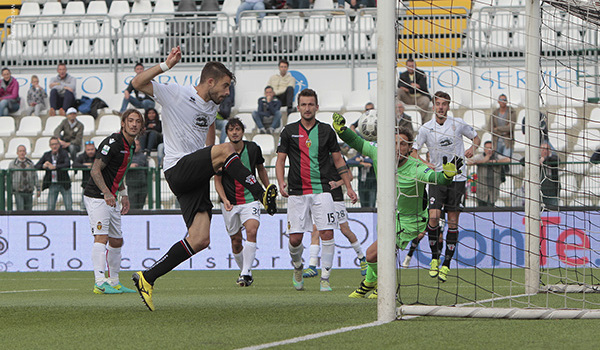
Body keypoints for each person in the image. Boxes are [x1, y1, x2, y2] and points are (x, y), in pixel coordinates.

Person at [130, 47, 278, 311]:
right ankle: (260, 193)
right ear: (210, 81)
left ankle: (147, 278)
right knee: (227, 147)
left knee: (200, 239)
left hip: (194, 176)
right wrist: (166, 66)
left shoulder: (211, 108)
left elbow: (208, 140)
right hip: (177, 168)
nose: (227, 92)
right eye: (224, 86)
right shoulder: (176, 93)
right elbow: (137, 82)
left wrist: (213, 163)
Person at [329, 113, 460, 298]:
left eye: (403, 144)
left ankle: (371, 283)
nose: (398, 147)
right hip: (389, 216)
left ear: (409, 148)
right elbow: (358, 143)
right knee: (381, 255)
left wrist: (446, 176)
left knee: (372, 254)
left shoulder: (416, 167)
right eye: (395, 143)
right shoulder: (379, 154)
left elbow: (434, 178)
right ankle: (374, 285)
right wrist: (341, 131)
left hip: (411, 220)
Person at [276, 88, 357, 292]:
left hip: (323, 189)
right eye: (303, 104)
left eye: (311, 104)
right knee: (295, 239)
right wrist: (280, 182)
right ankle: (297, 266)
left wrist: (348, 186)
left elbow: (338, 159)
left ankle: (325, 279)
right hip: (297, 191)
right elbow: (280, 160)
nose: (307, 108)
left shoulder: (327, 131)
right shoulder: (288, 131)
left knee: (327, 232)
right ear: (298, 107)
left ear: (317, 107)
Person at [410, 91, 480, 282]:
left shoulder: (457, 123)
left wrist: (472, 149)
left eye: (444, 104)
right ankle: (434, 258)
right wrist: (426, 164)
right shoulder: (426, 128)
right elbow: (413, 151)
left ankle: (447, 264)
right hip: (437, 179)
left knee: (453, 220)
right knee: (433, 216)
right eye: (438, 104)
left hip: (457, 178)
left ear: (448, 106)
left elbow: (476, 138)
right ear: (433, 106)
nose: (441, 107)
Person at [84, 109, 143, 295]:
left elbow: (118, 172)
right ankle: (100, 283)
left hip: (111, 197)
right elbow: (95, 170)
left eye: (137, 121)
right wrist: (107, 192)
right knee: (101, 237)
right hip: (97, 196)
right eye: (130, 121)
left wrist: (123, 193)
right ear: (123, 123)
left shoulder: (130, 145)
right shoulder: (113, 142)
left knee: (117, 240)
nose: (134, 124)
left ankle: (114, 281)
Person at [214, 118, 270, 287]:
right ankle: (246, 271)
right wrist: (224, 200)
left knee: (252, 231)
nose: (235, 132)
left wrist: (268, 190)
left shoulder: (253, 148)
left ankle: (245, 273)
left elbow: (261, 170)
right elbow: (217, 180)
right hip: (230, 203)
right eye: (231, 129)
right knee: (236, 242)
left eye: (237, 128)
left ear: (242, 131)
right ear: (227, 133)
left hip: (250, 200)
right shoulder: (220, 152)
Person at [302, 157, 367, 279]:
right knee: (316, 230)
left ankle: (362, 258)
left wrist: (337, 183)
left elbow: (350, 176)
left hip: (336, 199)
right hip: (319, 198)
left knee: (345, 230)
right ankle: (312, 266)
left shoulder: (335, 156)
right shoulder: (314, 156)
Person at [466, 140, 510, 207]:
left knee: (491, 206)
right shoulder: (480, 156)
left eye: (490, 148)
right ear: (484, 149)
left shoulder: (497, 156)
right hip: (482, 188)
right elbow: (469, 162)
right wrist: (484, 161)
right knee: (481, 207)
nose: (489, 150)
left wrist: (496, 162)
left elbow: (508, 160)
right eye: (487, 148)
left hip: (493, 187)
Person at [35, 136, 73, 211]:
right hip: (53, 183)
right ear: (50, 146)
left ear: (59, 145)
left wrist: (55, 167)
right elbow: (36, 166)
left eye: (56, 144)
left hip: (64, 183)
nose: (54, 146)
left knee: (68, 206)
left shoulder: (64, 153)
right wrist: (44, 166)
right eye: (52, 144)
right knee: (50, 207)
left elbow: (67, 164)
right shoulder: (47, 155)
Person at [397, 58, 431, 124]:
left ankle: (420, 120)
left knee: (426, 100)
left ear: (415, 66)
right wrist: (412, 85)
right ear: (406, 67)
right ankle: (398, 117)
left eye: (412, 66)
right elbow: (399, 85)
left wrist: (407, 88)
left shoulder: (421, 74)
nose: (411, 68)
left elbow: (422, 86)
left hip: (418, 97)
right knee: (398, 91)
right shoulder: (403, 75)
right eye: (409, 66)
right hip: (407, 97)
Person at [8, 145, 40, 210]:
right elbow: (9, 178)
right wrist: (11, 189)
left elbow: (35, 176)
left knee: (29, 211)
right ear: (17, 153)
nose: (22, 153)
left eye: (23, 151)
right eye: (20, 151)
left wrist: (38, 188)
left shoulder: (30, 164)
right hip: (18, 191)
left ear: (25, 153)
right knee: (20, 210)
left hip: (29, 191)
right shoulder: (13, 164)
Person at [72, 140, 97, 210]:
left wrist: (91, 165)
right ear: (85, 150)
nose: (90, 151)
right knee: (84, 205)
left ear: (95, 149)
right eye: (88, 150)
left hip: (99, 185)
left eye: (92, 149)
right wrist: (85, 166)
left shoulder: (99, 155)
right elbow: (74, 164)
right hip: (86, 185)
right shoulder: (82, 156)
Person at [491, 94, 517, 159]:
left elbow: (510, 127)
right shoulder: (494, 113)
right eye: (501, 100)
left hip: (507, 141)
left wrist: (497, 128)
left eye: (504, 100)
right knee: (497, 160)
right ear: (498, 101)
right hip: (496, 141)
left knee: (506, 159)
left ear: (507, 101)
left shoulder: (512, 112)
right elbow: (490, 128)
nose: (503, 101)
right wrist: (503, 130)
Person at [127, 139, 149, 210]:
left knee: (141, 207)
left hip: (142, 185)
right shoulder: (127, 155)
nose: (135, 147)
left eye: (137, 145)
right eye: (134, 145)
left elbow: (147, 170)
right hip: (132, 186)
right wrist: (129, 166)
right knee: (133, 207)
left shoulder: (143, 156)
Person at [540, 141, 560, 208]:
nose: (545, 151)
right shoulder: (535, 159)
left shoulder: (553, 158)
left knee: (553, 210)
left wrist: (544, 159)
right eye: (543, 149)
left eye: (547, 149)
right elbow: (522, 161)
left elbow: (557, 160)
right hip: (540, 192)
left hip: (552, 192)